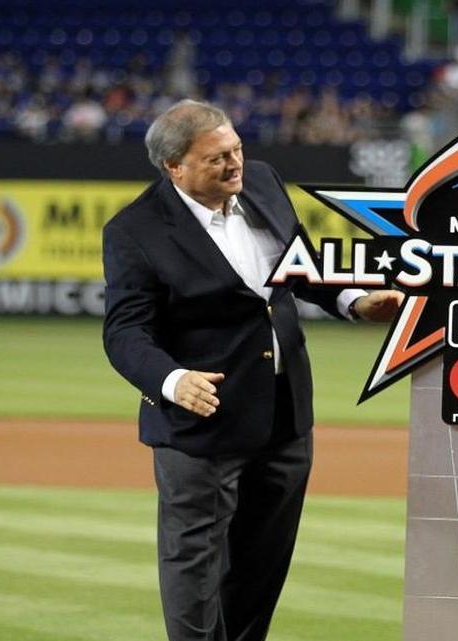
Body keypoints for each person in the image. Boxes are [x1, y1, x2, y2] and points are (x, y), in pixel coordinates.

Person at [102, 99, 402, 641]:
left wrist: (355, 301)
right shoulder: (136, 231)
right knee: (193, 567)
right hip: (202, 423)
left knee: (262, 566)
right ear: (176, 167)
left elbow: (302, 268)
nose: (235, 163)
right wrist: (173, 380)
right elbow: (124, 332)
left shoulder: (262, 182)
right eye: (217, 158)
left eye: (236, 149)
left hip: (285, 416)